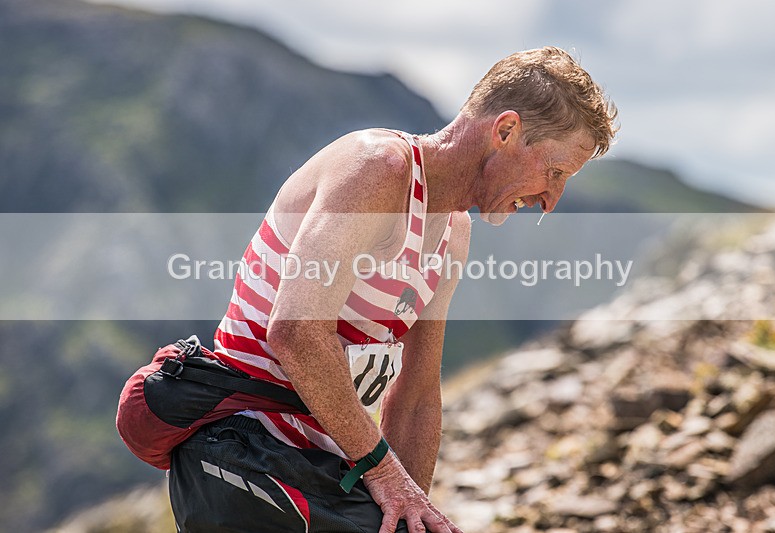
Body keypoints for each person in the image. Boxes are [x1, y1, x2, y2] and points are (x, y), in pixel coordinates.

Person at [167, 46, 618, 532]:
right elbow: (296, 330)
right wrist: (385, 474)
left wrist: (409, 513)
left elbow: (416, 394)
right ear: (506, 131)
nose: (551, 200)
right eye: (554, 172)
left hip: (321, 466)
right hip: (242, 448)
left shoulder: (454, 232)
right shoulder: (378, 169)